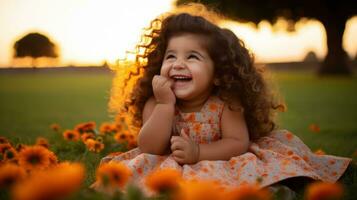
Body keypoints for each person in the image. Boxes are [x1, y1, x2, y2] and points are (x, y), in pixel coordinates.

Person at [99, 3, 351, 195]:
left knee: (248, 177)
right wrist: (166, 105)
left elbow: (237, 143)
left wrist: (198, 152)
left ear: (218, 74)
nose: (178, 64)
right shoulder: (157, 102)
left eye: (192, 57)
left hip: (220, 160)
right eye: (171, 56)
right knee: (143, 179)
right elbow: (150, 147)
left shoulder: (225, 104)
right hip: (170, 165)